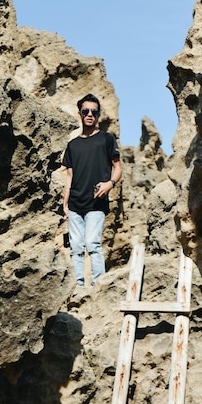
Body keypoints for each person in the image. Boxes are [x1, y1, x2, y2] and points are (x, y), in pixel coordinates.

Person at [62, 93, 122, 287]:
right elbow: (69, 176)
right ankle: (78, 287)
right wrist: (64, 204)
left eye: (94, 112)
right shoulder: (72, 145)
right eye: (86, 111)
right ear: (79, 113)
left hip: (97, 202)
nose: (90, 115)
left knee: (93, 244)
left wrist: (110, 184)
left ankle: (98, 287)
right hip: (74, 204)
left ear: (98, 115)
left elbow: (118, 167)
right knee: (76, 247)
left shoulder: (106, 139)